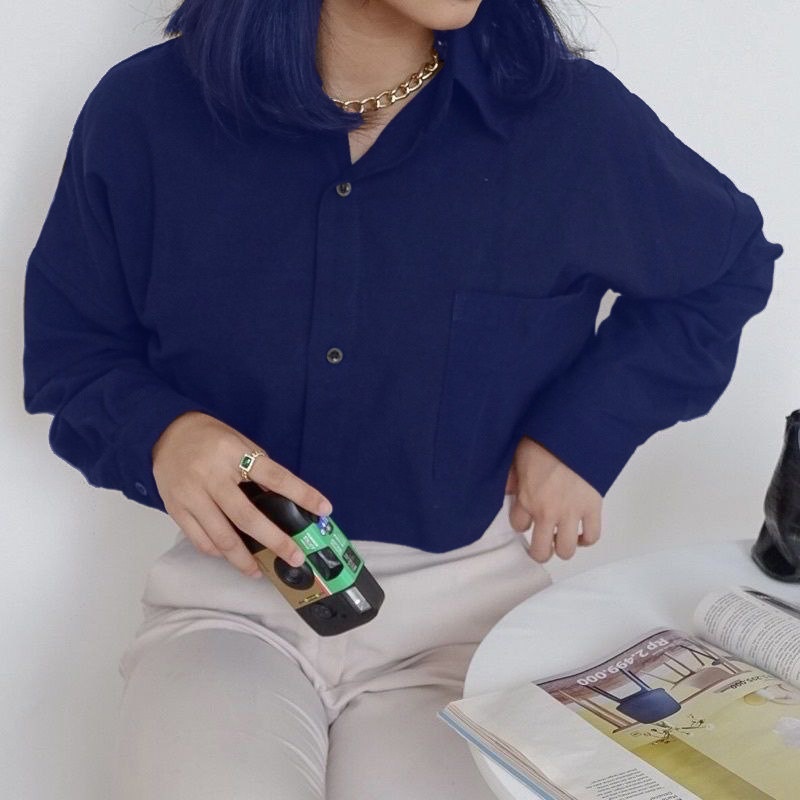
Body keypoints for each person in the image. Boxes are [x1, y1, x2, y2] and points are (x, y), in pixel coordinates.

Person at [21, 0, 783, 797]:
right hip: (230, 603)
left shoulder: (571, 123)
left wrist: (582, 431)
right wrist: (164, 435)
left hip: (468, 622)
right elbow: (75, 352)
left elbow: (724, 268)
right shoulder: (146, 112)